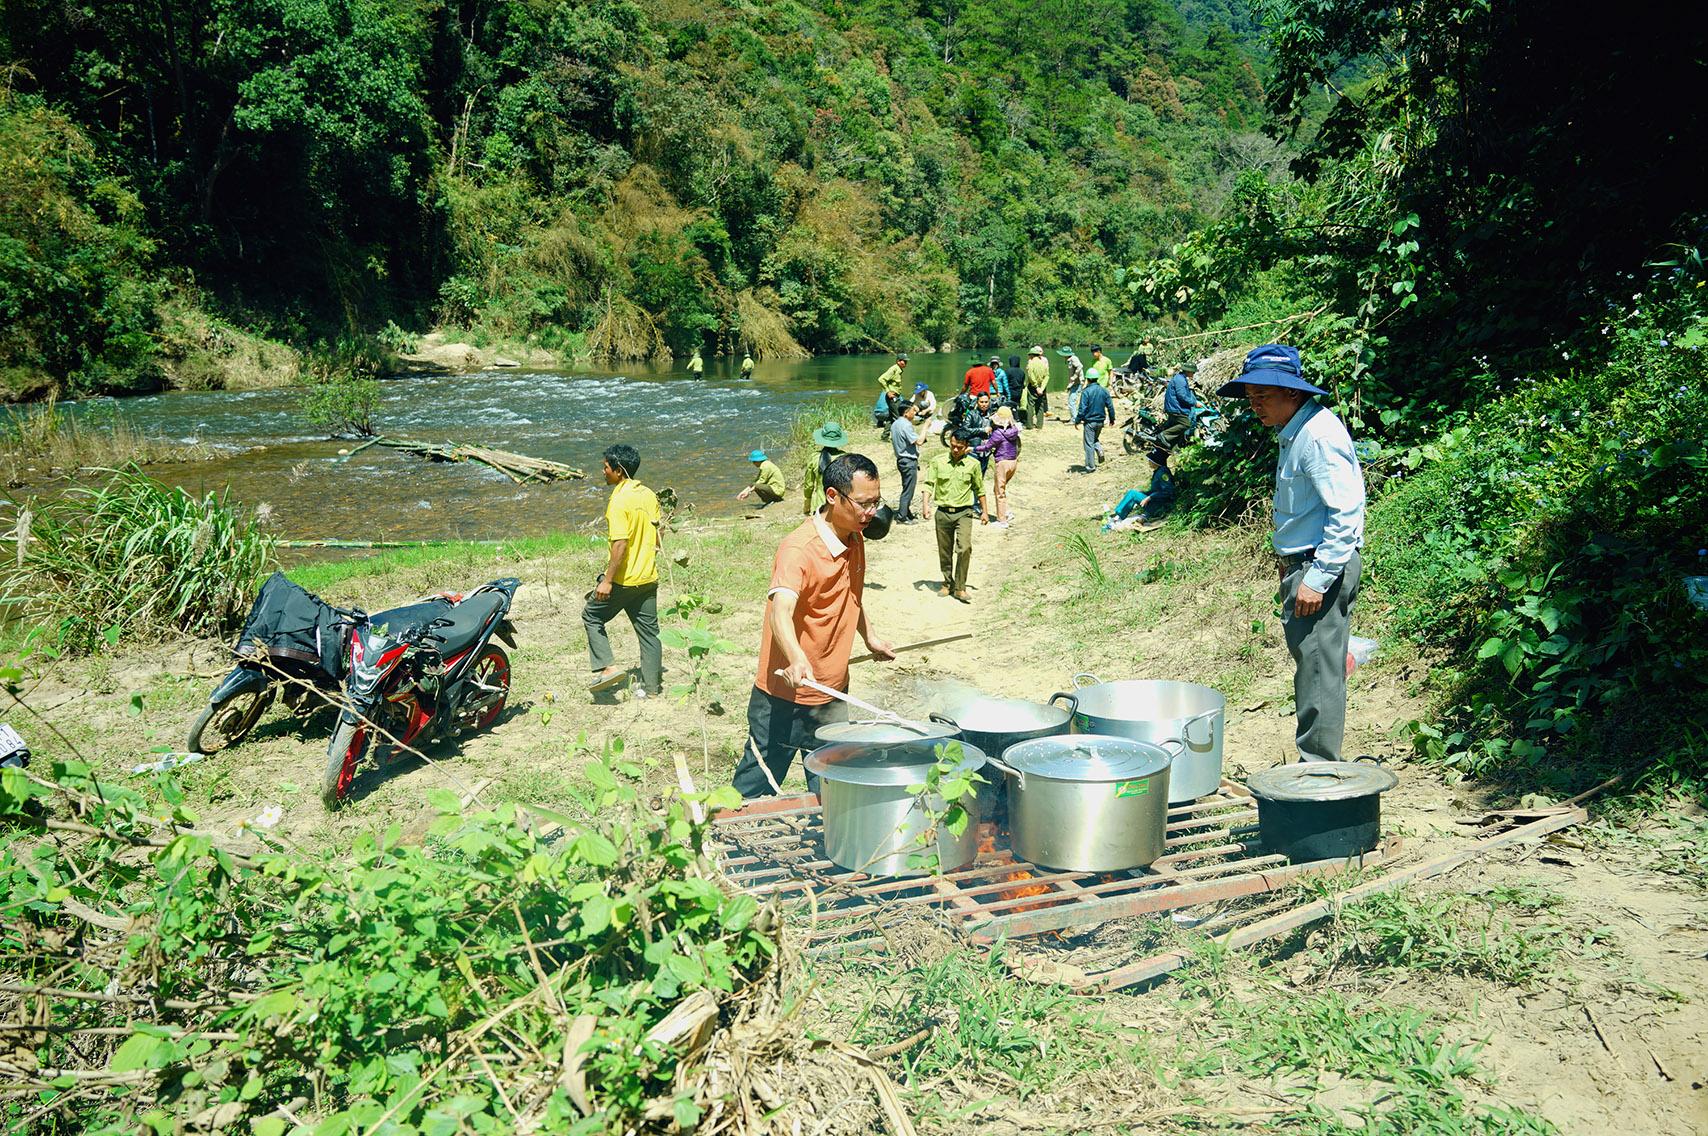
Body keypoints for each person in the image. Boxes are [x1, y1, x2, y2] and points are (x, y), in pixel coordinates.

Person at [1216, 344, 1366, 764]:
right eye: (1250, 399)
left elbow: (1346, 510)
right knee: (1314, 666)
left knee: (1318, 672)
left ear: (1293, 394)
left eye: (1263, 396)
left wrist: (1316, 578)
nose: (1255, 406)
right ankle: (1315, 764)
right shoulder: (1297, 433)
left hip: (1320, 565)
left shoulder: (1316, 435)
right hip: (1305, 564)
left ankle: (1317, 770)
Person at [732, 454, 896, 797]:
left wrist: (871, 636)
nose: (871, 513)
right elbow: (781, 610)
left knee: (833, 788)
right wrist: (795, 657)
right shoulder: (799, 549)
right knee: (754, 785)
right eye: (864, 504)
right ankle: (723, 843)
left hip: (832, 694)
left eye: (876, 502)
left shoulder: (854, 534)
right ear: (833, 496)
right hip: (784, 696)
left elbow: (850, 593)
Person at [584, 444, 663, 698]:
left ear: (619, 471)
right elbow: (659, 531)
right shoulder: (649, 495)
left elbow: (620, 543)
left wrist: (607, 581)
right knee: (650, 635)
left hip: (624, 580)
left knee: (591, 616)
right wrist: (649, 554)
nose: (603, 471)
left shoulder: (618, 500)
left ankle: (608, 668)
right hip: (648, 578)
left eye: (606, 467)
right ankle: (652, 690)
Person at [923, 429, 988, 603]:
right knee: (945, 551)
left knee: (964, 548)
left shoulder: (973, 465)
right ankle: (947, 582)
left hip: (964, 513)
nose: (955, 450)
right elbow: (929, 484)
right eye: (953, 446)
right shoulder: (938, 462)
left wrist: (985, 511)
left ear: (966, 446)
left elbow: (979, 489)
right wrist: (925, 505)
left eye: (960, 447)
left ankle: (960, 587)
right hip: (943, 513)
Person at [1101, 449, 1175, 531]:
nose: (1149, 462)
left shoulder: (1162, 473)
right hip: (1156, 502)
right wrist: (1146, 493)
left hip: (1160, 506)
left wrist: (1149, 497)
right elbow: (1157, 489)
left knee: (1132, 494)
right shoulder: (1158, 471)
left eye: (1150, 460)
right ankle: (1118, 516)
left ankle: (1118, 517)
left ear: (1156, 462)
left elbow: (1169, 491)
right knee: (1134, 493)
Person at [975, 405, 1021, 526]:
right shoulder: (1014, 430)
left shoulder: (998, 433)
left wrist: (972, 448)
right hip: (1013, 462)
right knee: (1001, 489)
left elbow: (986, 447)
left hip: (1002, 463)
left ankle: (1002, 520)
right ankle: (1007, 512)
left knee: (999, 492)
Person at [1072, 362, 1114, 473]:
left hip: (1090, 422)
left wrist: (1077, 420)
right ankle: (1099, 450)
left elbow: (1082, 408)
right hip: (1100, 421)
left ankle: (1090, 467)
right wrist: (1112, 419)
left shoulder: (1086, 392)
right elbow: (1110, 406)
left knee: (1088, 444)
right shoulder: (1104, 391)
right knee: (1094, 439)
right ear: (1097, 378)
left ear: (1088, 379)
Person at [801, 422, 848, 515]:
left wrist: (807, 505)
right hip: (839, 505)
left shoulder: (814, 457)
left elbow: (808, 485)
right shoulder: (845, 458)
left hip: (819, 505)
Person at [890, 399, 922, 523]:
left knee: (906, 487)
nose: (914, 413)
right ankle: (902, 517)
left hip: (901, 460)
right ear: (906, 413)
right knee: (908, 490)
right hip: (908, 461)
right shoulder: (906, 425)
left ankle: (907, 513)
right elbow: (919, 441)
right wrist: (926, 426)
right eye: (912, 411)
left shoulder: (895, 424)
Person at [1160, 361, 1199, 452]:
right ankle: (1164, 435)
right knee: (1186, 424)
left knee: (1177, 430)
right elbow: (1182, 395)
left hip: (1174, 407)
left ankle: (1172, 449)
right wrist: (1194, 403)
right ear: (1188, 371)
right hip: (1175, 408)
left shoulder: (1180, 378)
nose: (1193, 374)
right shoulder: (1180, 380)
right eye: (1192, 372)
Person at [876, 353, 909, 422]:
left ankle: (886, 433)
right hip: (892, 396)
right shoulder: (893, 369)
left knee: (891, 416)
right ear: (898, 361)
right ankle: (901, 431)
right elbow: (881, 379)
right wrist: (888, 391)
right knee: (898, 416)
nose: (906, 363)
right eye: (904, 361)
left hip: (896, 396)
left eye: (906, 361)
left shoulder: (899, 370)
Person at [1024, 345, 1050, 431]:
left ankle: (1030, 425)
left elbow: (1031, 376)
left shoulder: (1031, 363)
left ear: (1031, 355)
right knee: (1040, 406)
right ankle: (1039, 424)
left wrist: (1036, 386)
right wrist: (1042, 388)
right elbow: (1047, 376)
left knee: (1031, 405)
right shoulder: (1043, 363)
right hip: (1041, 387)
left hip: (1033, 387)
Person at [1061, 346, 1085, 421]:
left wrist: (1074, 377)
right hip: (1074, 383)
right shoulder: (1069, 360)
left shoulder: (1074, 358)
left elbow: (1080, 366)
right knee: (1072, 401)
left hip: (1078, 383)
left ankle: (1074, 419)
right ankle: (1075, 417)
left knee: (1071, 401)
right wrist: (1069, 384)